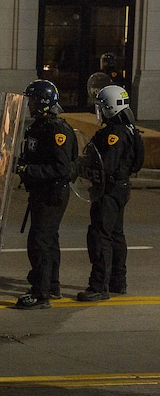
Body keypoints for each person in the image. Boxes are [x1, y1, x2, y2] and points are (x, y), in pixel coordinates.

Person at [76, 85, 144, 301]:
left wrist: (80, 168)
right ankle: (117, 280)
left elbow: (105, 165)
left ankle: (98, 286)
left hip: (109, 190)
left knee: (100, 236)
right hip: (121, 188)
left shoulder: (114, 134)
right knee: (116, 235)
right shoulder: (130, 129)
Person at [15, 79, 77, 309]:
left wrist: (28, 170)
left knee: (40, 242)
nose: (29, 105)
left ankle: (41, 295)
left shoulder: (56, 129)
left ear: (42, 102)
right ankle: (51, 285)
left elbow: (62, 168)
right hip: (42, 192)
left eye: (31, 100)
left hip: (52, 194)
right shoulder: (40, 126)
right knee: (48, 240)